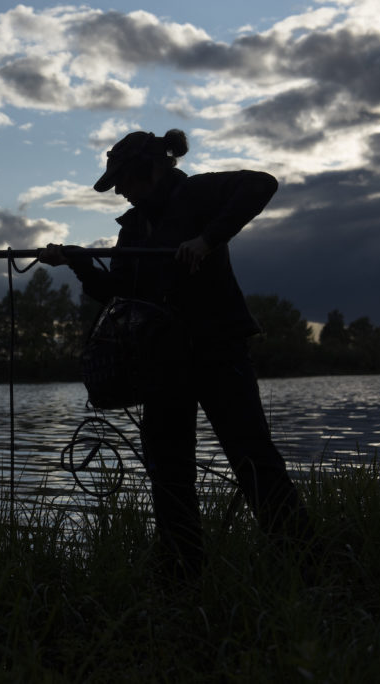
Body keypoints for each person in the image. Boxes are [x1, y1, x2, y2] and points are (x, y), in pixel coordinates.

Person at [40, 129, 312, 579]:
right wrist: (79, 263)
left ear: (148, 169)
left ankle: (304, 564)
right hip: (162, 364)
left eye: (122, 181)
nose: (120, 192)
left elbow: (262, 183)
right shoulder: (132, 228)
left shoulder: (196, 193)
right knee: (168, 472)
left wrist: (207, 240)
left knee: (252, 460)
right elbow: (122, 291)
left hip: (218, 350)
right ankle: (180, 576)